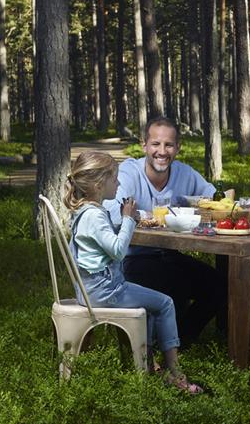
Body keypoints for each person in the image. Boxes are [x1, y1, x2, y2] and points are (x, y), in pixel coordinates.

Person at [64, 151, 203, 394]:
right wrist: (127, 220)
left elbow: (101, 241)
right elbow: (118, 250)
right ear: (99, 184)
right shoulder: (94, 215)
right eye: (114, 179)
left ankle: (147, 366)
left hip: (91, 289)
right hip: (106, 292)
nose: (118, 183)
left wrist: (126, 222)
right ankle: (175, 372)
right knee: (166, 303)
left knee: (148, 310)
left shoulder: (86, 211)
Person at [103, 117, 226, 346]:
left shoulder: (184, 173)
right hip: (131, 259)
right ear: (144, 146)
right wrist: (144, 216)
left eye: (168, 145)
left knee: (219, 285)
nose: (162, 151)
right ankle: (163, 343)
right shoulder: (129, 172)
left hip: (168, 255)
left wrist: (248, 209)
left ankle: (182, 338)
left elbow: (213, 196)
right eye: (156, 144)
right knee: (174, 285)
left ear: (177, 148)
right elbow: (112, 211)